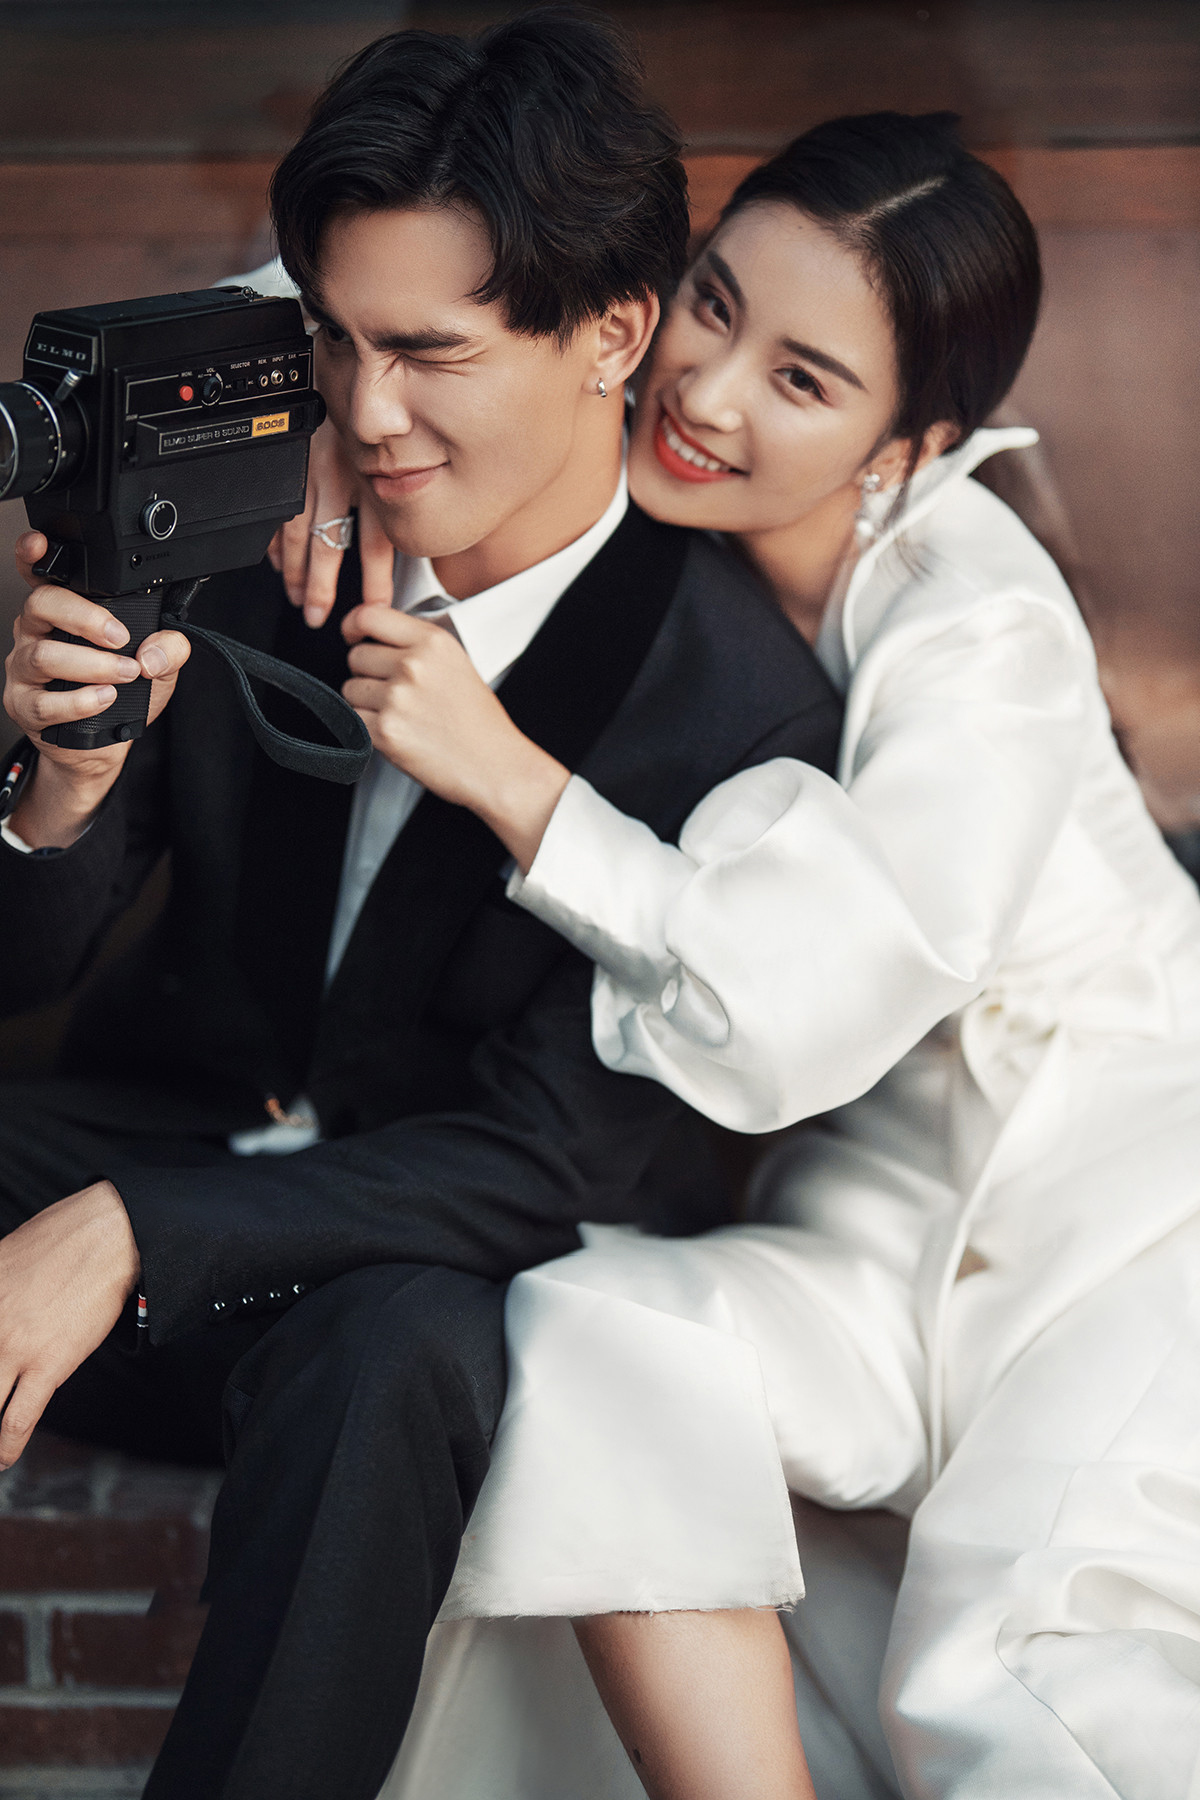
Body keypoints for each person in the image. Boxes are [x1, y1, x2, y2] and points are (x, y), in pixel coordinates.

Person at [293, 113, 1200, 1800]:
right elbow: (371, 282)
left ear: (912, 444)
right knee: (595, 1339)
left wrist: (511, 780)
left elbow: (796, 1006)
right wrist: (348, 418)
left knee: (1019, 1669)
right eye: (712, 307)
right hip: (869, 1220)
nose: (704, 397)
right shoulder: (690, 532)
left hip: (1121, 1221)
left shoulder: (981, 623)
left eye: (802, 380)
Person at [0, 16, 844, 1799]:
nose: (366, 413)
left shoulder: (740, 711)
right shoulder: (253, 536)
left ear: (614, 333)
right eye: (336, 338)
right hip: (167, 1133)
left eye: (429, 354)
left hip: (399, 1277)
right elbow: (27, 974)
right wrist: (53, 797)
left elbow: (540, 1162)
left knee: (400, 1347)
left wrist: (129, 1230)